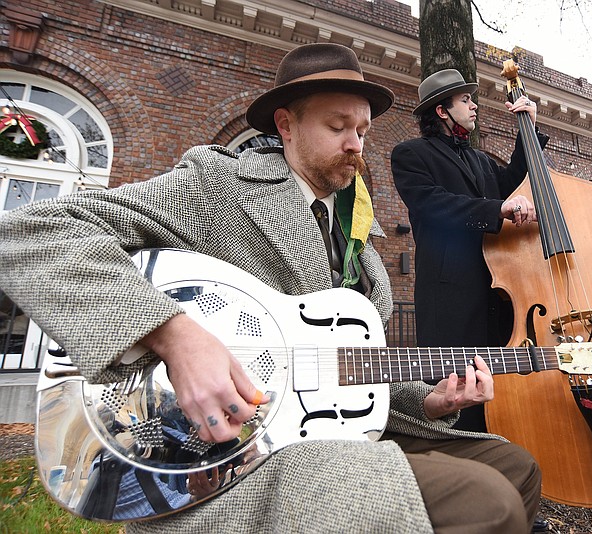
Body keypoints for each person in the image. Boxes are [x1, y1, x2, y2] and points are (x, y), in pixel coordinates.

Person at [0, 44, 542, 533]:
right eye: (337, 127)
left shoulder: (361, 246)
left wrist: (429, 399)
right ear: (285, 125)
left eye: (363, 131)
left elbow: (349, 374)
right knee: (487, 504)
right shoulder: (216, 189)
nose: (356, 146)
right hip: (235, 452)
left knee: (517, 469)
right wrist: (174, 335)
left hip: (330, 434)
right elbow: (29, 234)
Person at [391, 69, 549, 433]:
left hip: (497, 284)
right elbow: (434, 204)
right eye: (465, 100)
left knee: (498, 381)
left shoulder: (479, 159)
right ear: (442, 111)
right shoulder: (411, 154)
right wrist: (496, 210)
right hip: (451, 293)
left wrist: (529, 130)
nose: (474, 105)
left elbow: (511, 182)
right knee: (458, 386)